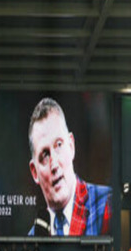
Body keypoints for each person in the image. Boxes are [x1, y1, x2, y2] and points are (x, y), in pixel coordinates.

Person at [27, 97, 112, 236]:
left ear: (71, 146)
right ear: (34, 172)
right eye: (45, 155)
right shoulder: (33, 238)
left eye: (59, 145)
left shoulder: (107, 206)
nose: (54, 165)